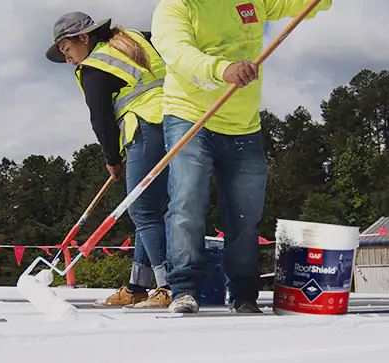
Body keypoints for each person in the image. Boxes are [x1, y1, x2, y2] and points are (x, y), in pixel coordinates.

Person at [151, 0, 331, 314]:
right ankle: (184, 289)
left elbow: (305, 4)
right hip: (190, 117)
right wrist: (223, 69)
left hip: (243, 124)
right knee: (188, 201)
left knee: (246, 215)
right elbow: (179, 53)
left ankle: (244, 295)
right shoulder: (174, 7)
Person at [47, 12, 172, 308]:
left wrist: (112, 160)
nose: (67, 59)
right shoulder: (136, 38)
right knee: (150, 211)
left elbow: (101, 120)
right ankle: (136, 287)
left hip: (145, 127)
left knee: (141, 210)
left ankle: (169, 287)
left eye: (67, 49)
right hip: (177, 120)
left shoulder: (93, 67)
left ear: (83, 38)